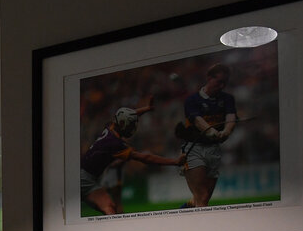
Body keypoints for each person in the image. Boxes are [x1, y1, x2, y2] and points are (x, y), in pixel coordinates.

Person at [80, 97, 185, 215]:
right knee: (109, 207)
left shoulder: (110, 127)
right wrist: (175, 161)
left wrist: (146, 109)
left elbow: (128, 115)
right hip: (85, 178)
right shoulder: (115, 144)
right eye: (130, 125)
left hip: (85, 175)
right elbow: (146, 158)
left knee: (110, 207)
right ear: (122, 124)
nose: (132, 128)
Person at [178, 63, 237, 208]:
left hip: (214, 150)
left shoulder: (227, 99)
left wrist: (226, 132)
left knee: (201, 200)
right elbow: (197, 121)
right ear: (209, 78)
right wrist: (212, 132)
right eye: (219, 81)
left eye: (225, 82)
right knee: (202, 196)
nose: (222, 86)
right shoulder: (192, 100)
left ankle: (184, 211)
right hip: (194, 149)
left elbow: (231, 118)